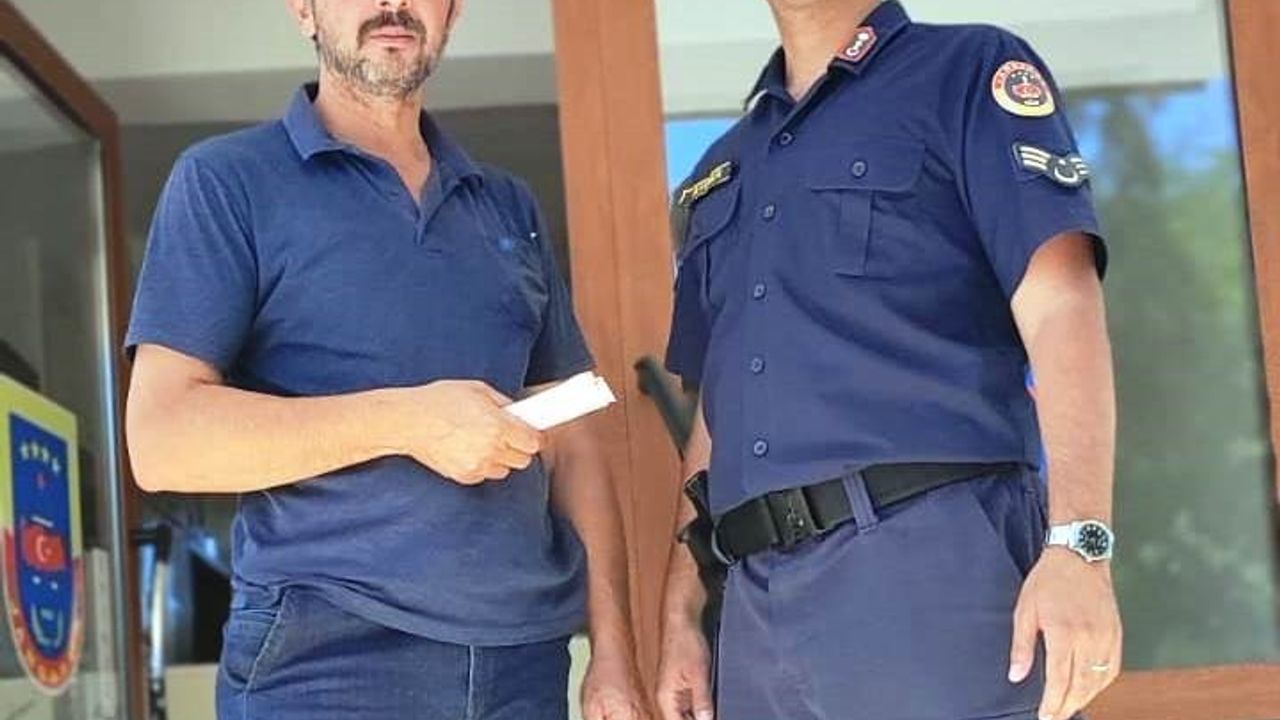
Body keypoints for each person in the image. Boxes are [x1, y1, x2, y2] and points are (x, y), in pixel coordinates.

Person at [124, 1, 648, 718]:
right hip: (327, 660)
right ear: (304, 10)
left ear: (453, 14)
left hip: (524, 661)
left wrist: (615, 653)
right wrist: (408, 422)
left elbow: (574, 442)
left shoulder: (508, 207)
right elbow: (162, 440)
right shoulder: (226, 182)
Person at [655, 1, 1122, 719]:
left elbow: (1062, 306)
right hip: (754, 606)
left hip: (925, 564)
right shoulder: (725, 165)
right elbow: (715, 417)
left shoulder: (967, 72)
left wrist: (1081, 544)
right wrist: (681, 614)